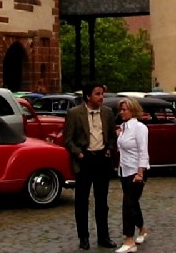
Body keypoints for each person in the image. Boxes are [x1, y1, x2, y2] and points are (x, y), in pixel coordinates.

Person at [63, 83, 118, 250]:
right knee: (82, 201)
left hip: (101, 159)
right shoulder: (74, 113)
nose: (101, 97)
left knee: (102, 201)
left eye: (102, 94)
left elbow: (112, 135)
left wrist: (109, 149)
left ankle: (103, 236)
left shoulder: (107, 113)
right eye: (97, 94)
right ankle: (83, 237)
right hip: (84, 160)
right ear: (88, 96)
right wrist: (78, 154)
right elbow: (68, 140)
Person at [115, 98, 150, 253]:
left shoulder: (140, 128)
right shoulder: (123, 127)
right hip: (124, 169)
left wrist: (140, 173)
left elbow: (143, 151)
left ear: (133, 110)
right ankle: (142, 228)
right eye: (121, 110)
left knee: (128, 204)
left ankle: (129, 240)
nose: (122, 112)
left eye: (125, 109)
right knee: (133, 203)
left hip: (137, 171)